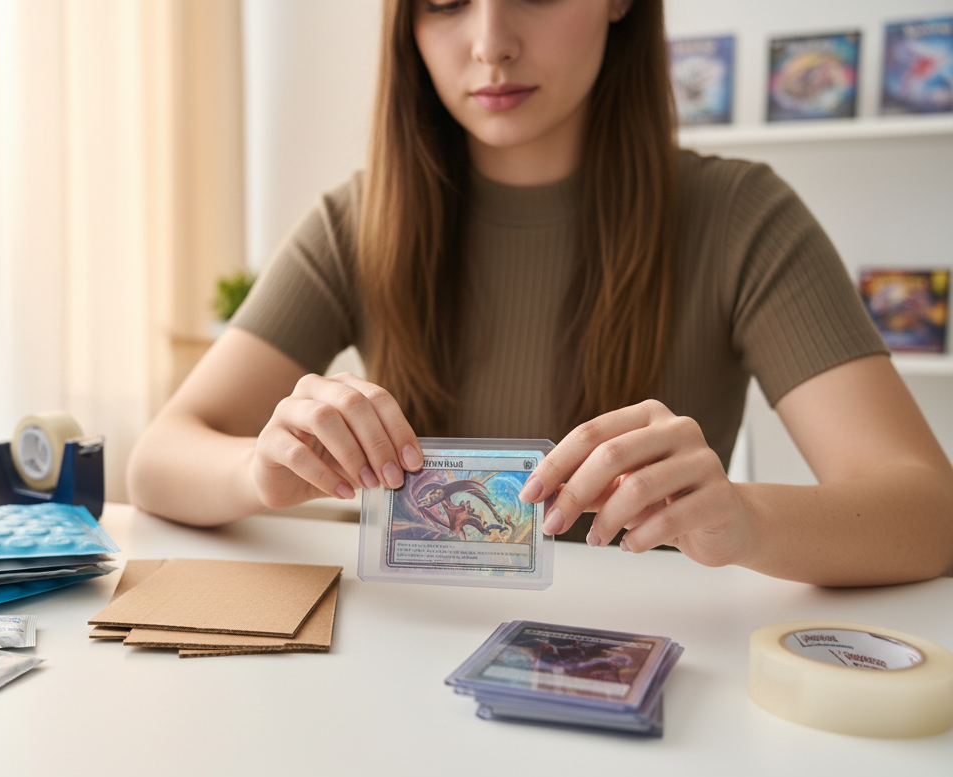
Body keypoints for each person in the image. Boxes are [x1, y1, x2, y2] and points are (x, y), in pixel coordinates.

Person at [127, 0, 953, 587]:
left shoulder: (742, 218)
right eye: (444, 2)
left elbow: (926, 509)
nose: (490, 43)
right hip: (401, 683)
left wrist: (745, 519)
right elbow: (159, 460)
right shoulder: (355, 219)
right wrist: (260, 472)